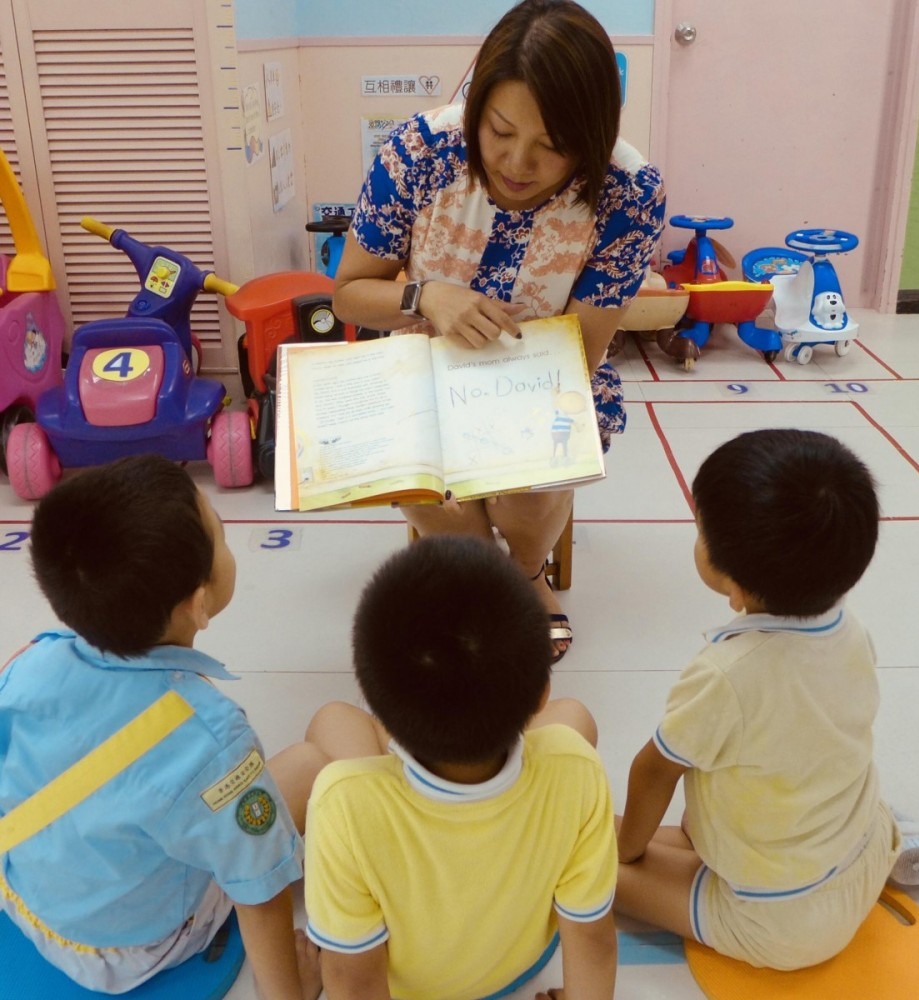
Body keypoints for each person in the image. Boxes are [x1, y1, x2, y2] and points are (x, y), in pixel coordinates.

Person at [332, 0, 667, 664]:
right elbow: (348, 295)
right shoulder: (418, 152)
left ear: (594, 136)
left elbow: (582, 353)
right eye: (500, 131)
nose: (518, 163)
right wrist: (426, 295)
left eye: (553, 145)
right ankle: (496, 580)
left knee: (527, 493)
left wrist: (502, 420)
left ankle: (520, 571)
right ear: (476, 105)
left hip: (547, 373)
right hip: (422, 363)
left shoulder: (630, 193)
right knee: (422, 477)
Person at [614, 428, 919, 971]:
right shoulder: (849, 629)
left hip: (783, 926)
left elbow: (654, 772)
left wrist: (625, 853)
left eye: (700, 530)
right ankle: (894, 844)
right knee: (700, 819)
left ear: (736, 589)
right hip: (865, 841)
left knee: (593, 859)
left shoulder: (726, 676)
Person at [0, 455, 327, 999]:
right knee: (314, 764)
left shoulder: (30, 661)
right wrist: (291, 990)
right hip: (134, 950)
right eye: (222, 535)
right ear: (198, 605)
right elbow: (259, 892)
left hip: (27, 901)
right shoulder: (214, 740)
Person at [303, 534, 618, 1000]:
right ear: (539, 695)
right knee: (575, 720)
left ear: (376, 699)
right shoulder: (578, 771)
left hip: (408, 984)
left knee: (331, 719)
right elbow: (593, 941)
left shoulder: (340, 803)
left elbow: (353, 981)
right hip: (521, 958)